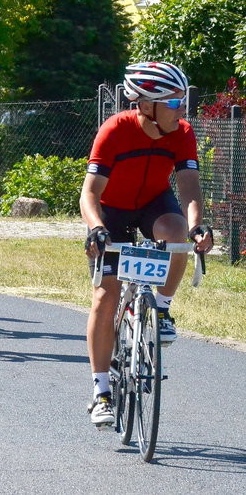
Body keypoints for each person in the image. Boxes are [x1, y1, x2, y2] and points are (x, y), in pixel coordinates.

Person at [81, 61, 214, 426]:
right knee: (106, 297)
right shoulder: (115, 131)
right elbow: (89, 193)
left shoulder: (182, 132)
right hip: (111, 213)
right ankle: (101, 392)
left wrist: (197, 227)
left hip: (153, 204)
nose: (182, 109)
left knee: (174, 234)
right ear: (145, 105)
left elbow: (188, 187)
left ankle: (162, 307)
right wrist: (95, 228)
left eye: (182, 101)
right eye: (173, 103)